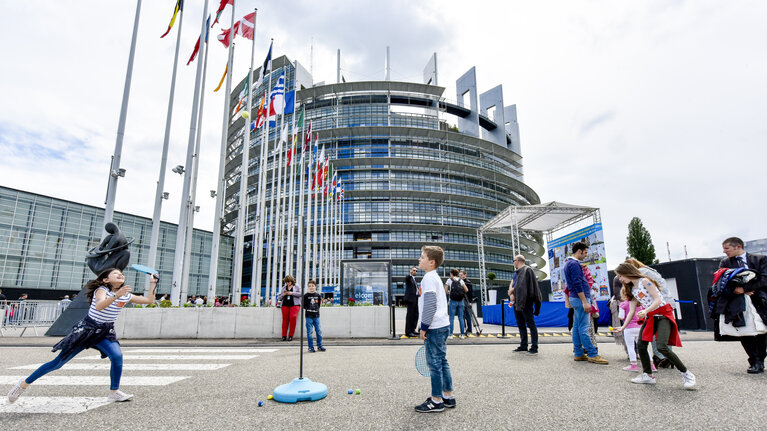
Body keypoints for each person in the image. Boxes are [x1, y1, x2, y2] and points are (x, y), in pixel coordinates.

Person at [7, 268, 158, 403]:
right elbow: (99, 306)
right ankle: (23, 384)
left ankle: (114, 392)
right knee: (58, 363)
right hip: (86, 330)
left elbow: (149, 300)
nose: (120, 275)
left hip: (105, 332)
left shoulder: (126, 295)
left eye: (121, 274)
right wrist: (116, 296)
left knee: (117, 356)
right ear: (106, 279)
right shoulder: (102, 290)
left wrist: (152, 284)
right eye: (115, 274)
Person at [614, 263, 695, 389]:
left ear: (627, 272)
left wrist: (646, 311)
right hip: (651, 317)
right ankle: (648, 375)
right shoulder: (632, 289)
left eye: (620, 275)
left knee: (662, 346)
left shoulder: (645, 281)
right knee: (641, 345)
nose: (620, 279)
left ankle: (686, 374)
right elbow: (631, 310)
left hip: (663, 315)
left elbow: (658, 299)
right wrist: (623, 327)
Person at [718, 237, 767, 374]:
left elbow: (764, 279)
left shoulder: (760, 259)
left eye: (727, 248)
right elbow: (722, 282)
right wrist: (735, 290)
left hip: (759, 300)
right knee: (744, 331)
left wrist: (746, 288)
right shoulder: (725, 263)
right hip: (738, 302)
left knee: (761, 331)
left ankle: (760, 360)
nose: (724, 251)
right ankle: (754, 361)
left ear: (738, 246)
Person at [415, 245, 455, 413]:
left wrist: (423, 328)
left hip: (434, 327)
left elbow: (430, 305)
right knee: (442, 361)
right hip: (442, 325)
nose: (419, 259)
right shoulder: (435, 277)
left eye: (422, 257)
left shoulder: (429, 278)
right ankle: (448, 396)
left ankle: (436, 400)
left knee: (435, 364)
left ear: (431, 262)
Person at [625, 258, 675, 368]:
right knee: (664, 333)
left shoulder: (641, 273)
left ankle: (660, 357)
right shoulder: (648, 270)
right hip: (667, 302)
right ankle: (668, 357)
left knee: (654, 331)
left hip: (658, 305)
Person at [563, 242, 608, 364]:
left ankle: (578, 353)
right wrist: (584, 301)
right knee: (584, 327)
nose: (586, 255)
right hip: (580, 298)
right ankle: (593, 354)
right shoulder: (574, 264)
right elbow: (577, 283)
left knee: (577, 327)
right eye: (585, 252)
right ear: (579, 251)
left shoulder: (570, 263)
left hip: (575, 298)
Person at [509, 255, 542, 355]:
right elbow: (513, 283)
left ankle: (534, 347)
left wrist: (512, 290)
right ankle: (523, 345)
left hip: (526, 301)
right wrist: (511, 293)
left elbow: (525, 286)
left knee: (530, 323)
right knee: (520, 324)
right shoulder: (516, 272)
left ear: (518, 261)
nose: (514, 262)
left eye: (514, 260)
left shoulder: (528, 270)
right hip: (517, 302)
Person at [303, 279, 326, 353]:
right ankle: (310, 347)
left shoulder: (318, 295)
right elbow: (304, 306)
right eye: (309, 286)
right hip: (308, 316)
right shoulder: (306, 296)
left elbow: (319, 305)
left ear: (315, 287)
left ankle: (319, 346)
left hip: (316, 316)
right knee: (309, 332)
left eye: (312, 286)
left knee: (319, 331)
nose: (311, 287)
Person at [445, 268, 468, 339]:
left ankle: (451, 334)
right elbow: (466, 290)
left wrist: (450, 292)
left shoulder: (449, 280)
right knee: (461, 318)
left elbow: (446, 291)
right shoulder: (461, 280)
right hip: (461, 301)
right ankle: (462, 335)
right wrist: (461, 293)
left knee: (451, 318)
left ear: (451, 273)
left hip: (453, 301)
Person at [278, 275, 301, 341]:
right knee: (285, 320)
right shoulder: (284, 287)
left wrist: (292, 293)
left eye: (289, 281)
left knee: (293, 317)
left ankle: (291, 335)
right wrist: (283, 294)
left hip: (294, 305)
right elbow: (279, 298)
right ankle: (284, 336)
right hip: (285, 305)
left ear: (292, 281)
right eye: (287, 282)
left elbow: (300, 294)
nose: (288, 283)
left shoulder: (297, 286)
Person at [404, 267, 420, 337]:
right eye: (413, 270)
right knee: (410, 316)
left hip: (415, 299)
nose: (415, 271)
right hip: (410, 300)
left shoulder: (414, 279)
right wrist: (410, 274)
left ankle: (413, 329)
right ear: (410, 271)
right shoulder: (409, 278)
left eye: (416, 271)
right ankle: (408, 331)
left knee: (415, 315)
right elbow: (407, 278)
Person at [459, 270, 474, 336]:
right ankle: (465, 329)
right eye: (460, 275)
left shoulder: (468, 282)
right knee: (463, 316)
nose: (460, 276)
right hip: (462, 300)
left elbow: (470, 293)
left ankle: (469, 330)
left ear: (465, 275)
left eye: (462, 275)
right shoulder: (459, 282)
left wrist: (470, 302)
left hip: (467, 300)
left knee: (467, 315)